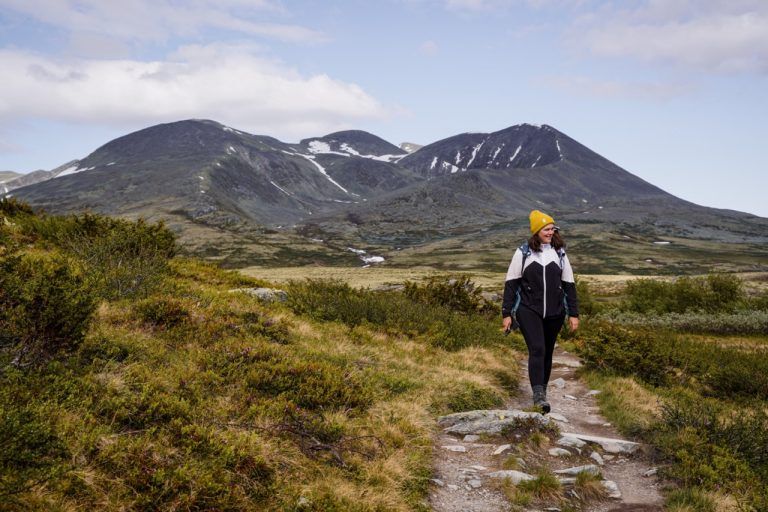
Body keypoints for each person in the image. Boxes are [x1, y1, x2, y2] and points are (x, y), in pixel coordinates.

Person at [501, 210, 579, 413]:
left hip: (555, 312)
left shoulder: (560, 253)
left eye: (552, 228)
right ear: (536, 231)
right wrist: (506, 313)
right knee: (537, 349)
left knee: (547, 352)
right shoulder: (523, 253)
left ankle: (542, 392)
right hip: (528, 310)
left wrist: (574, 314)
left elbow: (569, 284)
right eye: (546, 229)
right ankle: (538, 397)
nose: (551, 232)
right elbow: (511, 284)